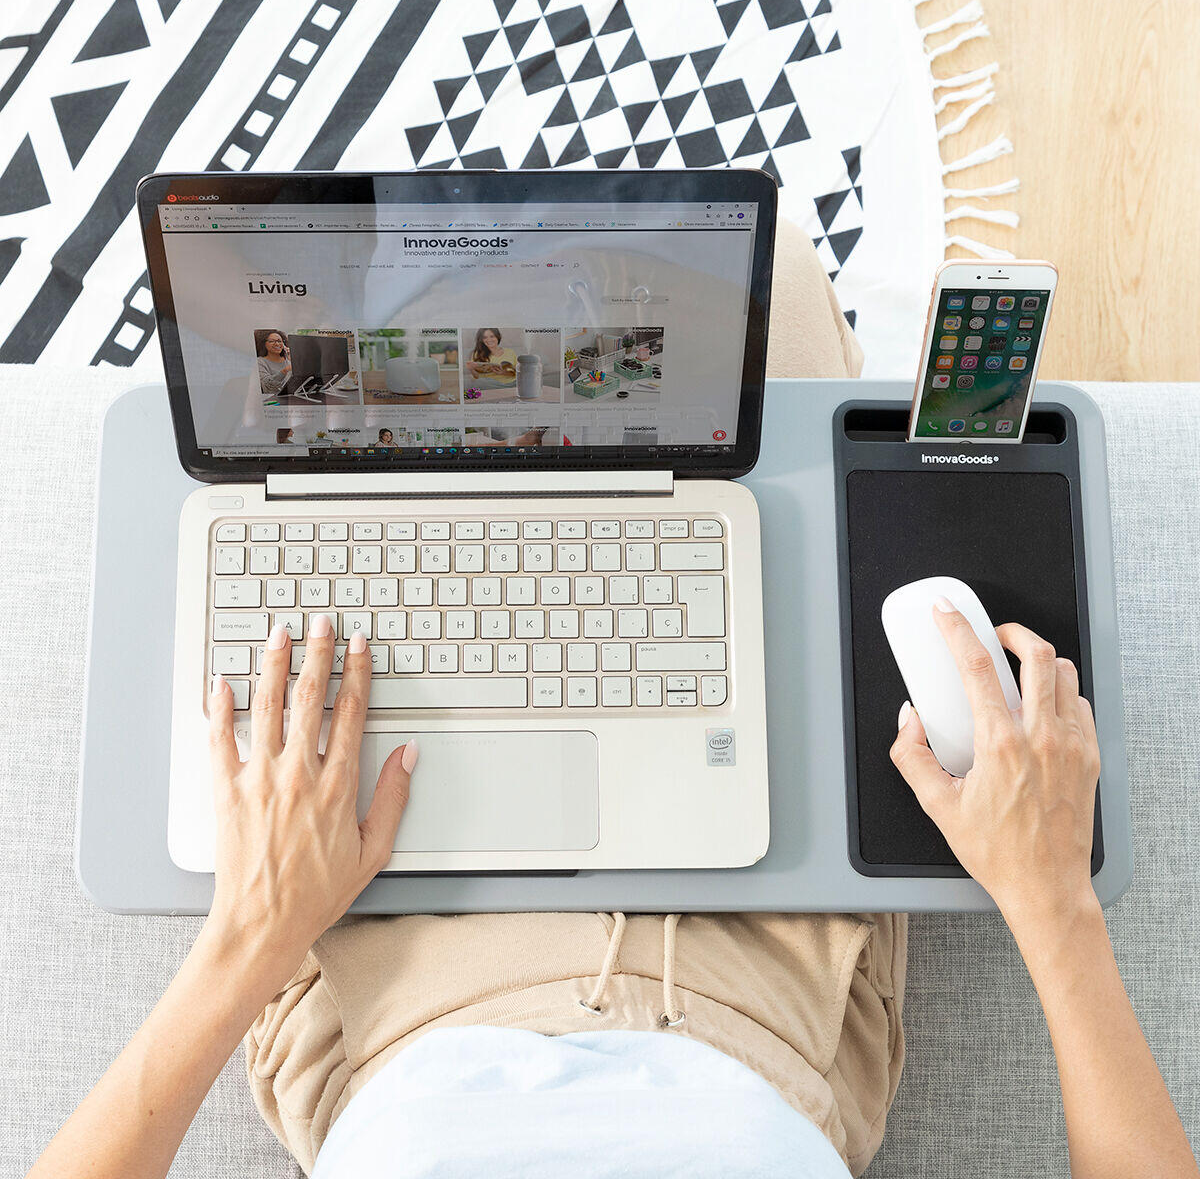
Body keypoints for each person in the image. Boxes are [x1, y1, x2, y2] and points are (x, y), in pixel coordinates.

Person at [26, 229, 1199, 1179]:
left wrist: (250, 937)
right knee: (772, 274)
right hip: (770, 1001)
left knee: (393, 372)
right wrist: (1055, 903)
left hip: (382, 996)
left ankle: (430, 284)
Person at [256, 330, 291, 394]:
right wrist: (285, 371)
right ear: (263, 344)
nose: (277, 344)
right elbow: (267, 386)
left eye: (279, 341)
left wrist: (293, 360)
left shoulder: (288, 359)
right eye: (272, 341)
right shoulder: (259, 362)